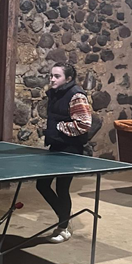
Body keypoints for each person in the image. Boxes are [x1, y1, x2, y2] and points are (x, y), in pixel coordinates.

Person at [37, 63, 92, 243]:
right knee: (42, 185)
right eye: (51, 75)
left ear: (68, 79)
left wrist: (59, 127)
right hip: (57, 146)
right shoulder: (56, 93)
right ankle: (64, 220)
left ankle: (63, 228)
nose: (52, 79)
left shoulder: (76, 95)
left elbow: (84, 124)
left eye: (57, 76)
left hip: (70, 149)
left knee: (62, 188)